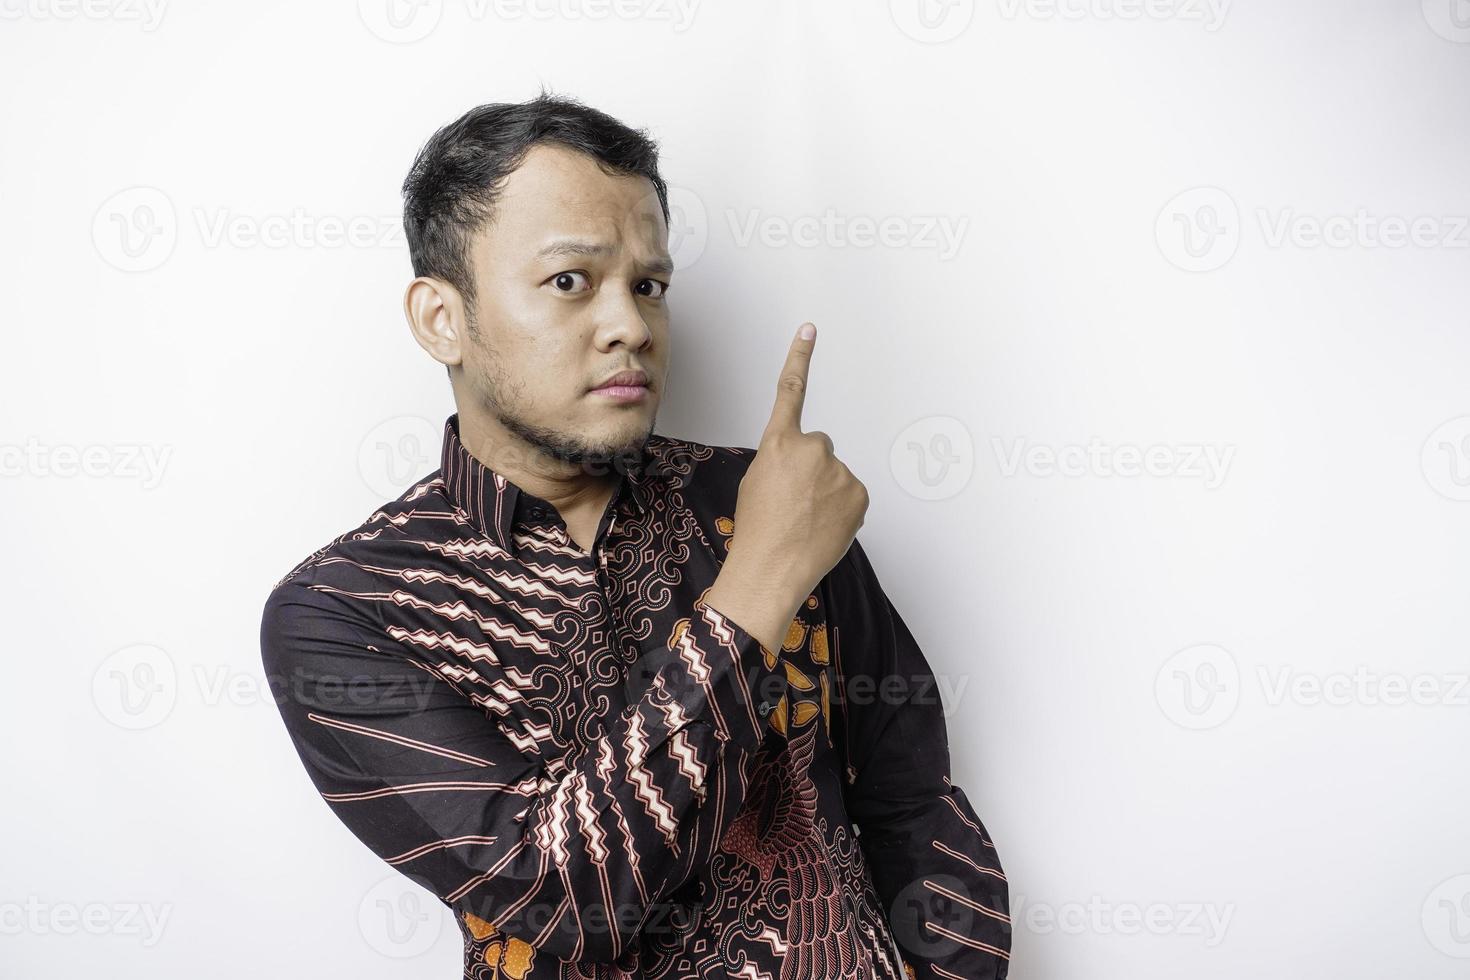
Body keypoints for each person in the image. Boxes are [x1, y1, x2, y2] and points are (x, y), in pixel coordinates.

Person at [259, 91, 1010, 979]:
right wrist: (760, 585)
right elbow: (561, 898)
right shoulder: (347, 613)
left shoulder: (768, 498)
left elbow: (910, 804)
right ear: (441, 318)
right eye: (570, 281)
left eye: (648, 285)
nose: (631, 326)